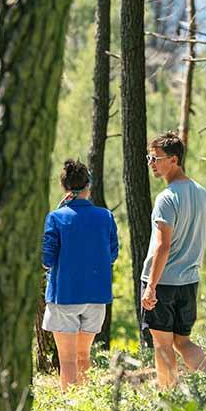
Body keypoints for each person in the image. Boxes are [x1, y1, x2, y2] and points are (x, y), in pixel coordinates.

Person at [42, 159, 119, 391]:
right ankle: (86, 403)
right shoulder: (106, 216)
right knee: (83, 357)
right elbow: (112, 255)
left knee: (67, 361)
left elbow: (46, 260)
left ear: (64, 187)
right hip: (96, 297)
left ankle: (70, 405)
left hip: (64, 296)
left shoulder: (55, 217)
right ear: (89, 186)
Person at [141, 131, 206, 388]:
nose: (151, 163)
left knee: (163, 344)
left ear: (174, 160)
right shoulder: (201, 193)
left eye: (156, 158)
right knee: (183, 342)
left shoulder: (166, 198)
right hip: (189, 281)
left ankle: (168, 399)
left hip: (163, 282)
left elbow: (163, 245)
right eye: (150, 157)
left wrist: (151, 286)